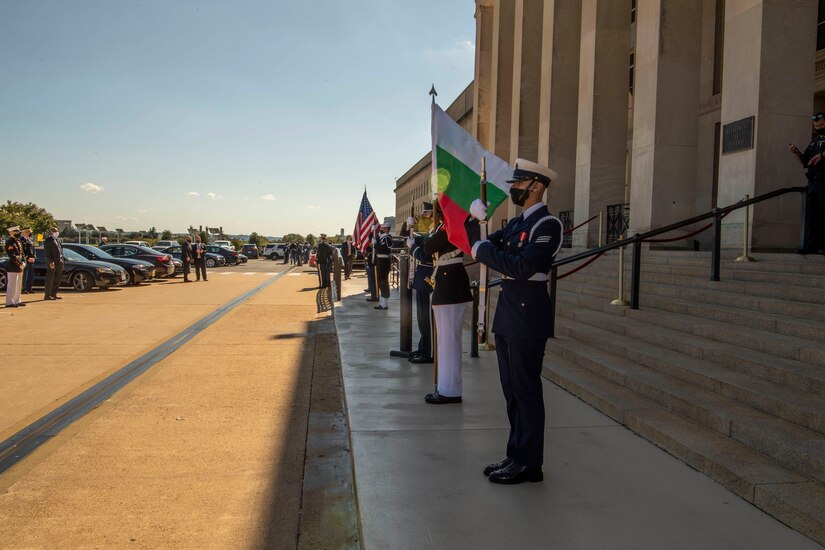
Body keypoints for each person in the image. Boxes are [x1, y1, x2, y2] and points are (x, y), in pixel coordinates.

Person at [464, 158, 563, 485]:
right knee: (512, 391)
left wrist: (482, 248)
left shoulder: (547, 225)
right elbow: (481, 245)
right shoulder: (518, 223)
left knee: (526, 390)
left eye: (519, 185)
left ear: (536, 186)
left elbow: (522, 266)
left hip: (528, 312)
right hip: (509, 310)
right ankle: (516, 454)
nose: (514, 190)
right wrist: (471, 219)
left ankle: (530, 463)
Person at [422, 203, 472, 401]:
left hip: (450, 282)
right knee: (445, 339)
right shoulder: (446, 225)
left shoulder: (451, 224)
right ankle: (445, 386)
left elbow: (428, 246)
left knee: (449, 340)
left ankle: (450, 390)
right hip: (446, 281)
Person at [789, 111, 825, 254]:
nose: (819, 127)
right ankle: (812, 245)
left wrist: (822, 155)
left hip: (824, 180)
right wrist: (796, 152)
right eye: (816, 125)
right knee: (813, 215)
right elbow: (805, 162)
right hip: (813, 183)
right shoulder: (814, 142)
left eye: (822, 124)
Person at [408, 202, 435, 364]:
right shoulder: (430, 232)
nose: (424, 217)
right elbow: (414, 240)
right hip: (422, 277)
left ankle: (429, 352)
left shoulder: (436, 233)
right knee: (422, 318)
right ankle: (423, 346)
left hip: (429, 278)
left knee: (428, 319)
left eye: (427, 214)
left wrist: (412, 249)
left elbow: (425, 255)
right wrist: (408, 227)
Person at [373, 222, 393, 310]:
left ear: (386, 229)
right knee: (381, 281)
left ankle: (384, 303)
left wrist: (376, 244)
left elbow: (383, 248)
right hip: (380, 260)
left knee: (383, 281)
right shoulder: (382, 237)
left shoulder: (388, 237)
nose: (381, 229)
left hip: (384, 260)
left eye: (383, 228)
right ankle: (382, 301)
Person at [5, 226, 25, 307]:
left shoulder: (18, 241)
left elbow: (22, 253)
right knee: (12, 285)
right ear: (11, 233)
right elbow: (12, 256)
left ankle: (17, 300)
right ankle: (10, 302)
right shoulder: (10, 242)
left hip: (19, 267)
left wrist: (24, 261)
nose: (18, 234)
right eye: (16, 232)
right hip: (13, 266)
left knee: (18, 285)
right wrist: (20, 263)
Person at [43, 226, 65, 301]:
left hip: (60, 261)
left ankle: (54, 294)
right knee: (50, 279)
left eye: (57, 231)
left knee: (57, 278)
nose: (56, 233)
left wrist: (62, 258)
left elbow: (60, 250)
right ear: (51, 233)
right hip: (53, 262)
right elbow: (47, 253)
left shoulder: (58, 240)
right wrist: (50, 261)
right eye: (55, 231)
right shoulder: (48, 241)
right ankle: (47, 295)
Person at [20, 226, 35, 294]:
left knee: (30, 275)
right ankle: (24, 289)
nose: (29, 233)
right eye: (28, 231)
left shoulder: (30, 240)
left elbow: (33, 250)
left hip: (31, 260)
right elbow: (22, 251)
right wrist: (27, 258)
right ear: (23, 232)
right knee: (25, 275)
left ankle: (29, 288)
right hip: (26, 260)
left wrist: (34, 257)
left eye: (30, 231)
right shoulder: (21, 240)